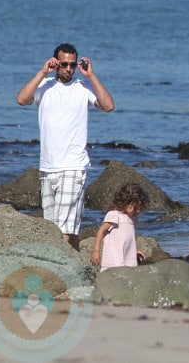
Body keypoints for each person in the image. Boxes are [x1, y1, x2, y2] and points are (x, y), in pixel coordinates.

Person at [16, 43, 115, 251]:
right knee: (53, 228)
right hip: (48, 166)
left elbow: (108, 106)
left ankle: (66, 270)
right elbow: (22, 99)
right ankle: (74, 265)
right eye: (64, 64)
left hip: (73, 165)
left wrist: (91, 76)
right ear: (55, 63)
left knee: (66, 230)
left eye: (72, 65)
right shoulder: (44, 86)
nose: (69, 69)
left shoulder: (83, 87)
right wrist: (42, 72)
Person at [91, 184, 148, 272]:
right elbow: (101, 231)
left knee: (129, 274)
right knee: (114, 274)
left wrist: (135, 250)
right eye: (135, 207)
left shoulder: (132, 218)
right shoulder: (114, 215)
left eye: (139, 208)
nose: (138, 211)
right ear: (126, 202)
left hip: (128, 256)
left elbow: (130, 237)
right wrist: (96, 251)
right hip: (114, 257)